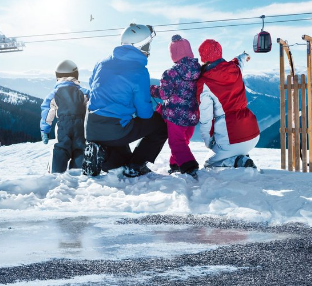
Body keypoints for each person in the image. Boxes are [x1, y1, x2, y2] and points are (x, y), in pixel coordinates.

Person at [84, 23, 168, 177]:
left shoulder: (101, 62)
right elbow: (145, 114)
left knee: (121, 163)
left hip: (91, 127)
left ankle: (101, 152)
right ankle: (136, 166)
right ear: (141, 46)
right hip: (116, 128)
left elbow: (93, 87)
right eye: (148, 45)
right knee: (159, 125)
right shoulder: (139, 71)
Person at [196, 39, 260, 168]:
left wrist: (209, 142)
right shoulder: (234, 68)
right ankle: (240, 157)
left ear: (203, 57)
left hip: (232, 136)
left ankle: (237, 161)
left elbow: (206, 118)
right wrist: (244, 56)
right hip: (253, 133)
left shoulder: (204, 83)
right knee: (229, 150)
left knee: (209, 165)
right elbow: (239, 62)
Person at [150, 35, 201, 177]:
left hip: (175, 115)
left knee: (176, 141)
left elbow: (164, 94)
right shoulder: (199, 70)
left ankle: (189, 166)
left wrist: (152, 90)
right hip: (192, 113)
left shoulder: (171, 73)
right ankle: (175, 163)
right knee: (184, 140)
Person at [40, 60, 90, 173]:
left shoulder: (54, 93)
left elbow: (47, 111)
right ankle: (77, 173)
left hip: (63, 125)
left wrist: (45, 130)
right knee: (80, 149)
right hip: (80, 125)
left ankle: (55, 173)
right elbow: (91, 107)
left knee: (61, 148)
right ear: (76, 74)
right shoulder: (83, 92)